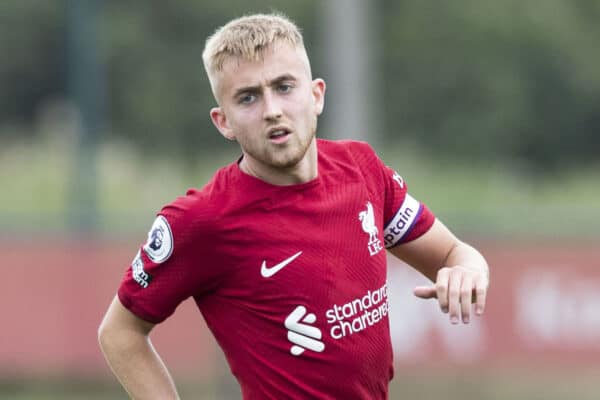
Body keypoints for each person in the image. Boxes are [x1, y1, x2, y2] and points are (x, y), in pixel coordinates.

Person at [98, 13, 489, 400]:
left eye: (284, 87)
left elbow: (455, 254)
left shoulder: (362, 170)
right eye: (248, 97)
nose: (272, 110)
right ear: (223, 122)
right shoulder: (202, 220)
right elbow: (120, 333)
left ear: (316, 94)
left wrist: (468, 272)